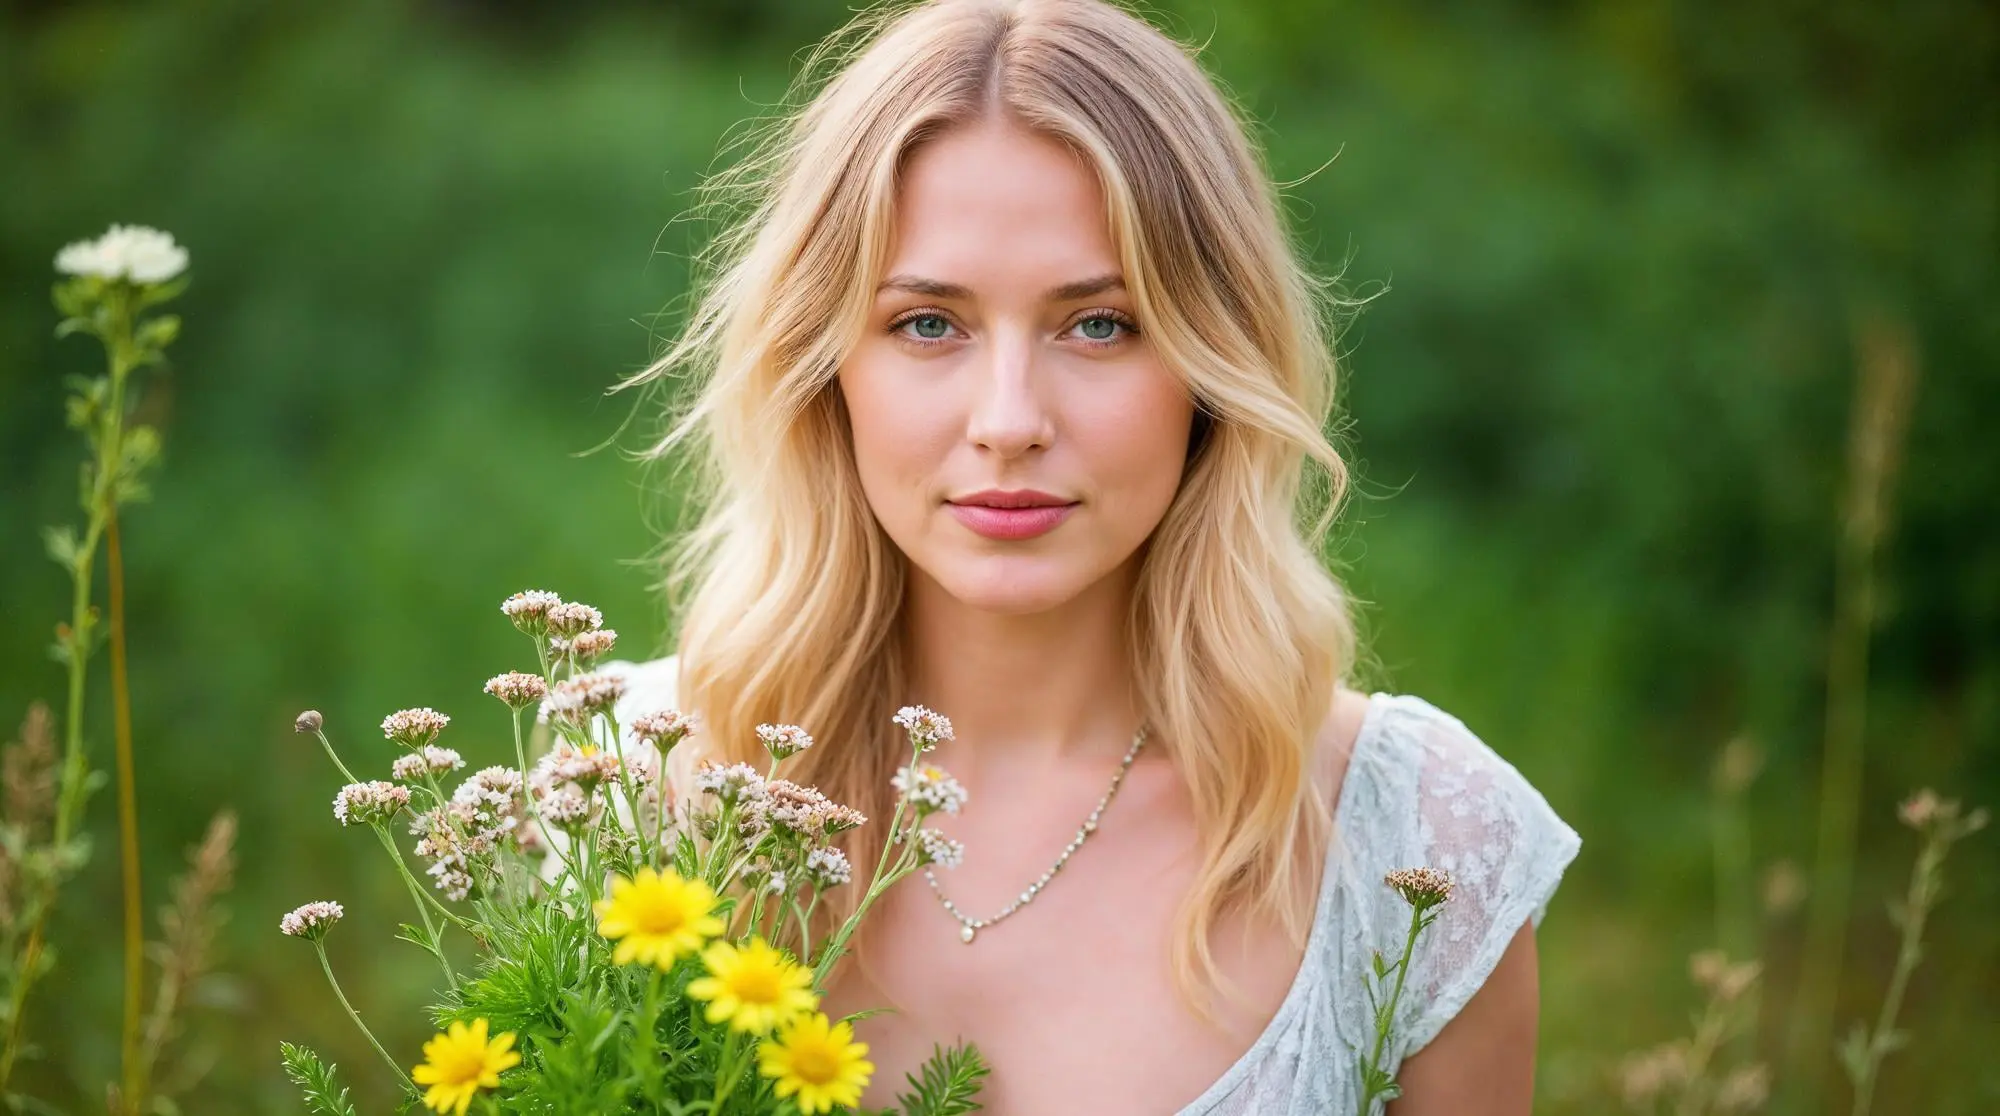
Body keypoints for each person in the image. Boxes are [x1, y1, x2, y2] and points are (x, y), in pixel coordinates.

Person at [604, 1, 1579, 1112]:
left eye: (1099, 325)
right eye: (928, 323)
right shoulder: (634, 795)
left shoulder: (1418, 848)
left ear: (1212, 367)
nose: (1009, 419)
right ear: (824, 368)